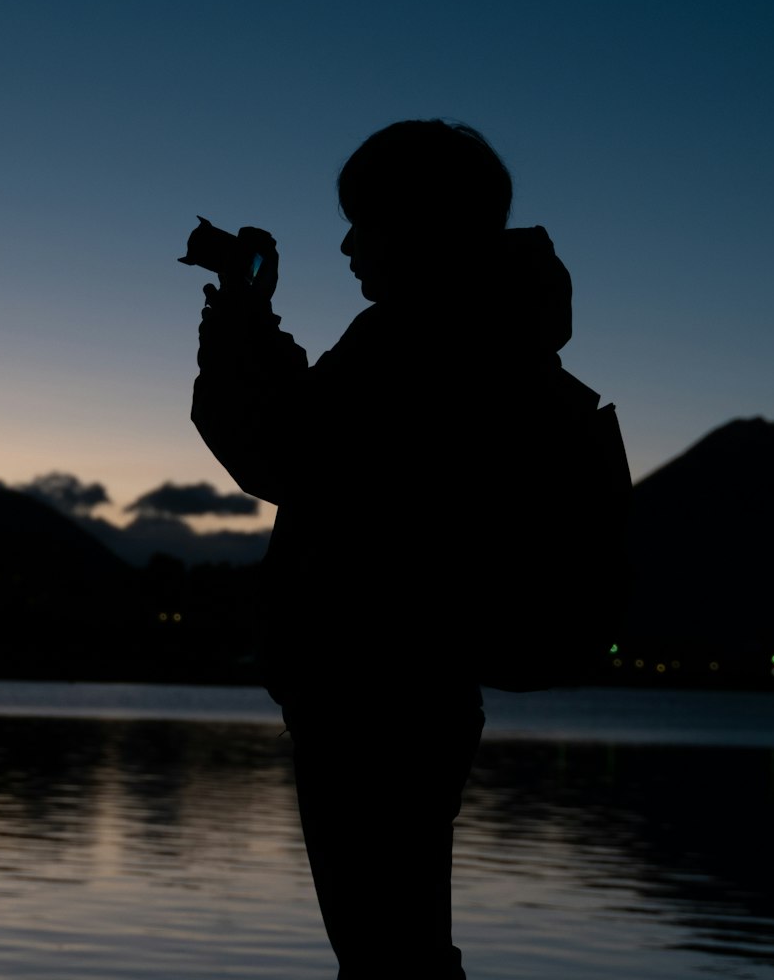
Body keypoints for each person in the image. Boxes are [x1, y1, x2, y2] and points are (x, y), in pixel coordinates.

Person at [190, 119, 620, 978]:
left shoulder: (418, 338)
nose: (347, 244)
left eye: (365, 221)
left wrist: (242, 310)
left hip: (372, 686)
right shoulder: (492, 331)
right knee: (402, 946)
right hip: (423, 685)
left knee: (387, 954)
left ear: (422, 226)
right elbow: (318, 445)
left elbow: (276, 449)